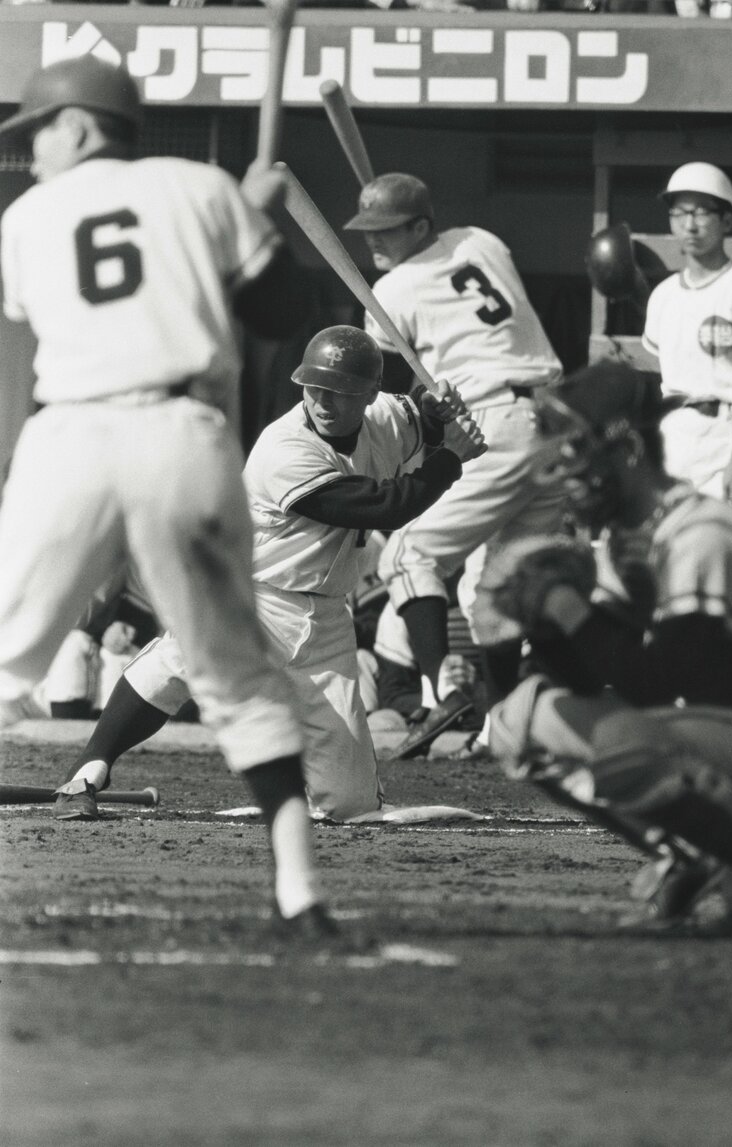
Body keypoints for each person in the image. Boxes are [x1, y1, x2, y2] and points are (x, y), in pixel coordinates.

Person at [0, 55, 340, 942]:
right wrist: (254, 219)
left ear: (76, 126)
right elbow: (277, 313)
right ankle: (301, 893)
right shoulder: (204, 186)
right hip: (182, 436)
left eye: (38, 133)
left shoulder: (28, 214)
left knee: (5, 657)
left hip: (69, 432)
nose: (32, 154)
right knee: (232, 670)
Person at [53, 325, 485, 823]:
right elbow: (385, 507)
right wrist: (452, 457)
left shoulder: (385, 416)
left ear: (369, 395)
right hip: (254, 595)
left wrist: (438, 412)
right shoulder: (284, 449)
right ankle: (88, 769)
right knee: (175, 662)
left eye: (340, 392)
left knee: (349, 805)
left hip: (326, 624)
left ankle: (305, 786)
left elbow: (418, 421)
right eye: (314, 387)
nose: (323, 401)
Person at [479, 360, 732, 934]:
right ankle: (695, 854)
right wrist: (540, 623)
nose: (567, 471)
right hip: (721, 735)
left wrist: (566, 607)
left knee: (625, 745)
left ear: (628, 450)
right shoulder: (627, 539)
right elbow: (586, 679)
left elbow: (667, 679)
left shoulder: (702, 533)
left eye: (578, 452)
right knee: (518, 720)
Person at [343, 172, 565, 758]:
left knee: (408, 555)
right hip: (555, 422)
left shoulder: (391, 291)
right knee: (497, 585)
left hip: (494, 422)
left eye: (386, 229)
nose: (373, 241)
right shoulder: (479, 240)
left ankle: (445, 687)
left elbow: (385, 378)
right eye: (366, 230)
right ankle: (504, 729)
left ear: (420, 225)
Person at [642, 162, 732, 514]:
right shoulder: (663, 295)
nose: (690, 224)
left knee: (727, 550)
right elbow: (657, 378)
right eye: (679, 213)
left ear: (726, 221)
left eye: (701, 213)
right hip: (675, 436)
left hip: (728, 433)